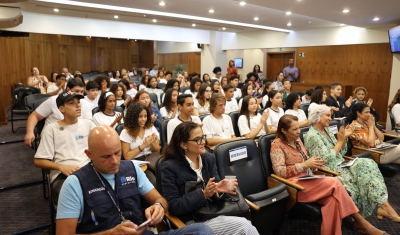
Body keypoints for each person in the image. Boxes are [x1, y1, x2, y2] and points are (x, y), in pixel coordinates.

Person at [56, 125, 213, 235]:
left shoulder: (131, 168)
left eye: (118, 153)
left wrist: (158, 207)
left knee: (202, 230)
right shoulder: (74, 184)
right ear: (89, 155)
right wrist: (112, 233)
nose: (115, 161)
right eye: (106, 156)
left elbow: (161, 200)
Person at [271, 114, 387, 235]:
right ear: (283, 130)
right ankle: (362, 223)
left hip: (308, 178)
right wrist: (304, 165)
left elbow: (306, 161)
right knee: (336, 182)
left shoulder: (298, 141)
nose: (298, 132)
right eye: (294, 129)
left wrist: (313, 164)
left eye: (298, 128)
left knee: (333, 201)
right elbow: (280, 172)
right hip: (294, 186)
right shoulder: (276, 145)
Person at [305, 104, 400, 224]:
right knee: (360, 177)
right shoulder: (312, 136)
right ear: (317, 117)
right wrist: (340, 141)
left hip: (341, 163)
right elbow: (324, 160)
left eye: (331, 115)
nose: (330, 118)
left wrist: (344, 138)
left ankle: (384, 206)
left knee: (368, 164)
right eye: (328, 115)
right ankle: (361, 219)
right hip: (329, 170)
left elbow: (341, 152)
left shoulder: (327, 130)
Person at [162, 122, 260, 235]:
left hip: (214, 212)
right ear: (183, 144)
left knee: (244, 225)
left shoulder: (209, 158)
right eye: (197, 139)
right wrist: (203, 194)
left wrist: (218, 190)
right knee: (244, 226)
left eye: (203, 137)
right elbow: (174, 206)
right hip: (192, 221)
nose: (203, 142)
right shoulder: (170, 167)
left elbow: (216, 186)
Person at [34, 91, 95, 205]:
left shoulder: (88, 124)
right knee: (74, 197)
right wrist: (61, 167)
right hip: (63, 175)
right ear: (61, 109)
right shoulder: (51, 129)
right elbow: (38, 161)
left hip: (89, 170)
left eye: (78, 102)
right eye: (71, 103)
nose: (77, 105)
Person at [24, 78, 93, 147]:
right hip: (54, 138)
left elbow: (87, 125)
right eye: (77, 91)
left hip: (76, 138)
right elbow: (34, 116)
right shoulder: (53, 101)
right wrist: (29, 132)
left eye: (82, 91)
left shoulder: (86, 104)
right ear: (68, 89)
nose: (79, 94)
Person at [120, 103, 160, 186]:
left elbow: (158, 151)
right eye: (140, 116)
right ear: (133, 117)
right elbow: (127, 156)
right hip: (137, 163)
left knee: (167, 178)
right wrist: (143, 145)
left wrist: (151, 143)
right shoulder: (126, 132)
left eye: (145, 116)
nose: (143, 119)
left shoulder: (150, 127)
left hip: (152, 159)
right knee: (154, 183)